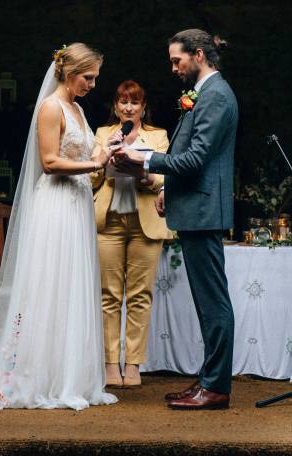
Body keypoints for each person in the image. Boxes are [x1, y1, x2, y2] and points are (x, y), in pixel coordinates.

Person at [0, 43, 118, 413]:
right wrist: (95, 164)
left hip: (77, 205)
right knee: (50, 284)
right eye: (88, 77)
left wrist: (104, 153)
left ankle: (68, 376)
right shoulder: (50, 108)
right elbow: (49, 161)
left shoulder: (77, 108)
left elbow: (83, 156)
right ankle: (36, 375)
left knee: (71, 286)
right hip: (56, 205)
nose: (92, 85)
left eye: (94, 78)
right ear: (68, 72)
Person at [115, 29, 238, 410]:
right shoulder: (205, 94)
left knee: (213, 302)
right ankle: (207, 379)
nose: (173, 67)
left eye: (177, 60)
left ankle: (215, 387)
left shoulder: (216, 96)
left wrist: (144, 158)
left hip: (204, 212)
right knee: (205, 301)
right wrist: (169, 188)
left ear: (198, 55)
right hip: (194, 207)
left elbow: (196, 158)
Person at [91, 80, 172, 388]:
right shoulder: (101, 133)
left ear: (142, 107)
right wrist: (104, 160)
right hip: (108, 221)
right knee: (108, 296)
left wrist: (142, 172)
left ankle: (133, 364)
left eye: (134, 102)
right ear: (115, 106)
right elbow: (91, 179)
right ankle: (111, 364)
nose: (128, 107)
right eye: (123, 102)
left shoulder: (158, 136)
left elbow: (165, 175)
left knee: (140, 296)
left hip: (145, 221)